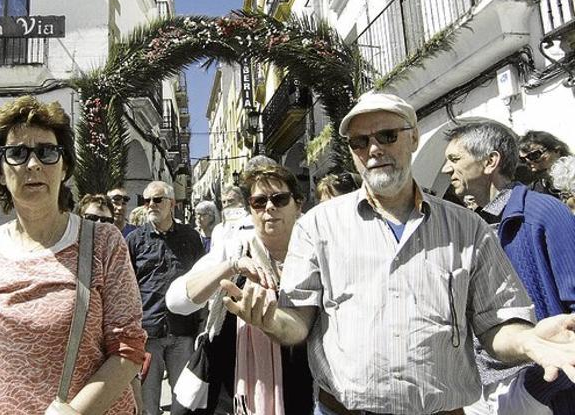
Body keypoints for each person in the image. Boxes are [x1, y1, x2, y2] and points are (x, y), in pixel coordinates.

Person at [221, 92, 575, 415]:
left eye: (387, 135)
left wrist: (529, 340)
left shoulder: (468, 229)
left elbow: (496, 323)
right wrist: (269, 320)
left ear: (414, 138)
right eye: (360, 142)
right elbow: (297, 322)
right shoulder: (317, 226)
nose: (373, 149)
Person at [0, 96, 146, 415]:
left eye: (47, 151)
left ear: (64, 166)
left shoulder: (102, 242)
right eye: (16, 153)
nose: (32, 164)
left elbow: (128, 349)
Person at [443, 120, 575, 414]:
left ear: (490, 161)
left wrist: (538, 389)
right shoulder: (468, 227)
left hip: (532, 390)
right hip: (477, 391)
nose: (446, 170)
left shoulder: (544, 213)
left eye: (455, 159)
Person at [167, 157, 314, 414]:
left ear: (298, 204)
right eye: (259, 202)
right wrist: (231, 267)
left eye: (279, 199)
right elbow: (177, 301)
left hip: (303, 386)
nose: (269, 208)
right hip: (233, 391)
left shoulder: (314, 253)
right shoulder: (235, 247)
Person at [126, 180, 204, 415]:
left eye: (157, 200)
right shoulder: (135, 240)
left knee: (184, 402)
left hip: (183, 333)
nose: (150, 204)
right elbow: (126, 286)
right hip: (148, 334)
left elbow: (201, 279)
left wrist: (202, 324)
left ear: (171, 204)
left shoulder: (190, 237)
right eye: (146, 200)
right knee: (148, 405)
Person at [518, 131, 571, 197]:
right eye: (523, 160)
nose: (533, 169)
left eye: (535, 155)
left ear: (557, 150)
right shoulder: (534, 192)